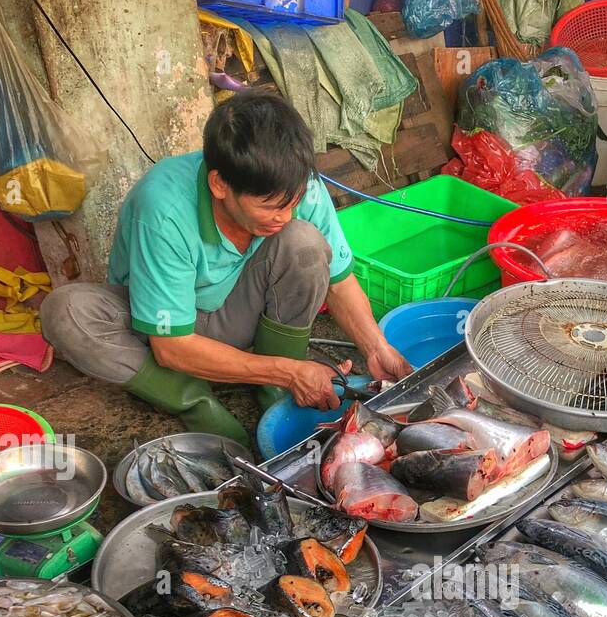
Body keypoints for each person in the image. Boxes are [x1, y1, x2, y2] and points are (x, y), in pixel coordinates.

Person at [40, 92, 412, 447]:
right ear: (219, 184)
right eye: (269, 206)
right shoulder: (162, 208)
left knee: (305, 244)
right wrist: (290, 370)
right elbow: (171, 347)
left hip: (238, 316)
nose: (284, 215)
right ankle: (196, 402)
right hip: (159, 333)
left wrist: (376, 348)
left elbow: (339, 282)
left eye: (293, 200)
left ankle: (274, 392)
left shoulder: (296, 188)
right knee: (66, 312)